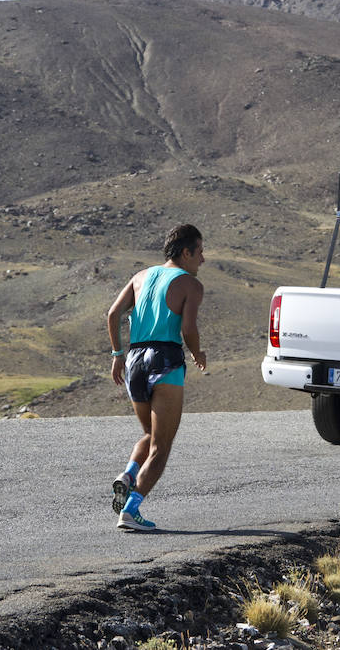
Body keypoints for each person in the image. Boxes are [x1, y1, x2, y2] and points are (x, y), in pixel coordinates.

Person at [106, 223, 207, 531]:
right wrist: (197, 353)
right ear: (186, 252)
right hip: (165, 359)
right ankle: (131, 510)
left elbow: (112, 315)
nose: (203, 260)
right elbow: (188, 328)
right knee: (162, 448)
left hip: (135, 360)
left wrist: (117, 355)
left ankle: (128, 475)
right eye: (200, 252)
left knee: (151, 435)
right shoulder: (190, 284)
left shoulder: (140, 277)